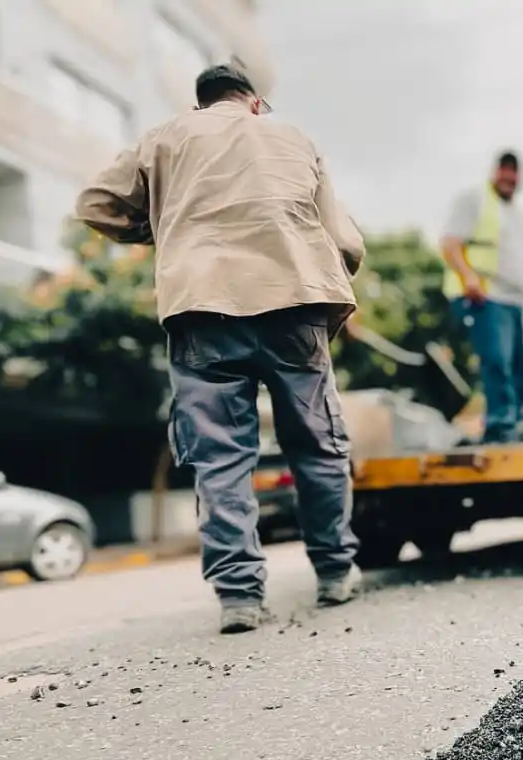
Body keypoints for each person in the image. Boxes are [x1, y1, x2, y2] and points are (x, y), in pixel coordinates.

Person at [75, 64, 366, 634]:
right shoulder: (292, 137)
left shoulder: (165, 138)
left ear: (202, 104)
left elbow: (96, 205)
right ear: (255, 103)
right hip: (294, 305)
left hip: (202, 309)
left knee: (220, 457)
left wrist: (164, 227)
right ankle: (335, 572)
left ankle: (239, 596)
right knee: (317, 445)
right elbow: (344, 238)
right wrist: (332, 278)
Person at [440, 151, 523, 443]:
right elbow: (449, 242)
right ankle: (499, 428)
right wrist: (468, 276)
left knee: (517, 367)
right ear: (494, 171)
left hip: (514, 302)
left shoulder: (519, 213)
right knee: (497, 362)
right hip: (486, 297)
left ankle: (514, 425)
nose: (509, 177)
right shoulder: (475, 200)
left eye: (514, 172)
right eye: (504, 170)